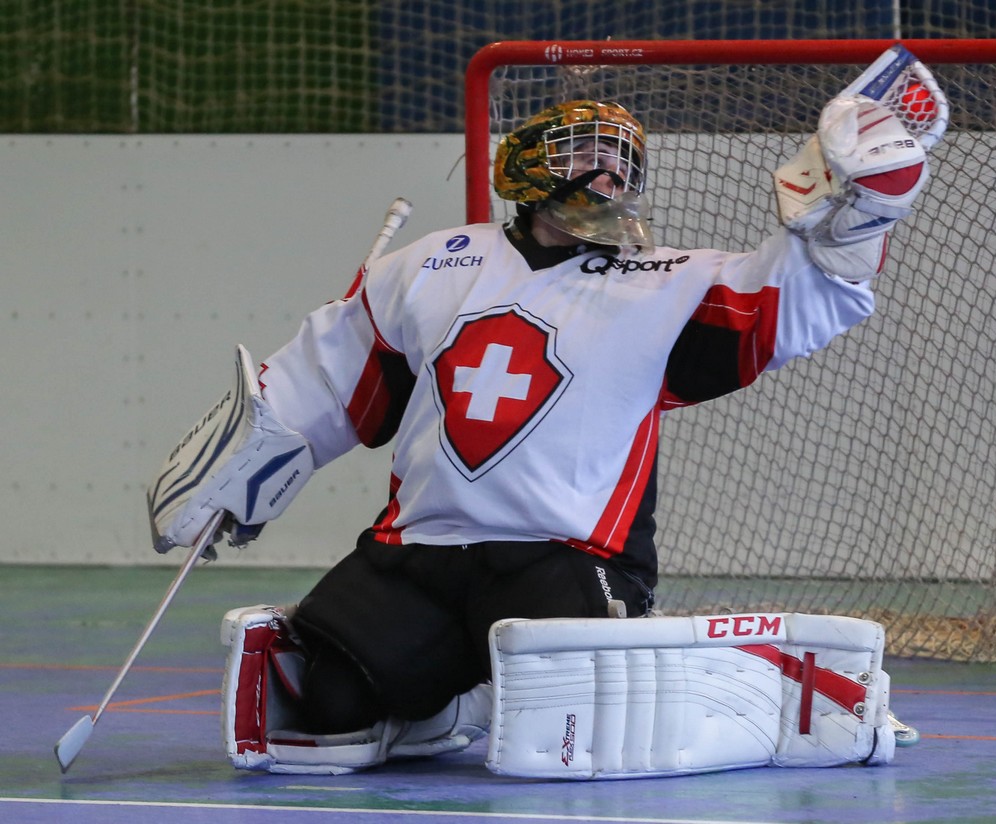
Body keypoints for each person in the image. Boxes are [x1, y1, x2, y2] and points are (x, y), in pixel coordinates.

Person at [149, 92, 933, 774]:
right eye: (585, 153)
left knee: (575, 738)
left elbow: (795, 299)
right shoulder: (428, 265)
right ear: (524, 167)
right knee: (329, 707)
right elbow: (330, 373)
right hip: (419, 553)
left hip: (568, 556)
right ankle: (457, 706)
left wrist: (857, 216)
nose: (607, 173)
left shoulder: (669, 280)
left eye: (621, 162)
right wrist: (245, 464)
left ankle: (772, 685)